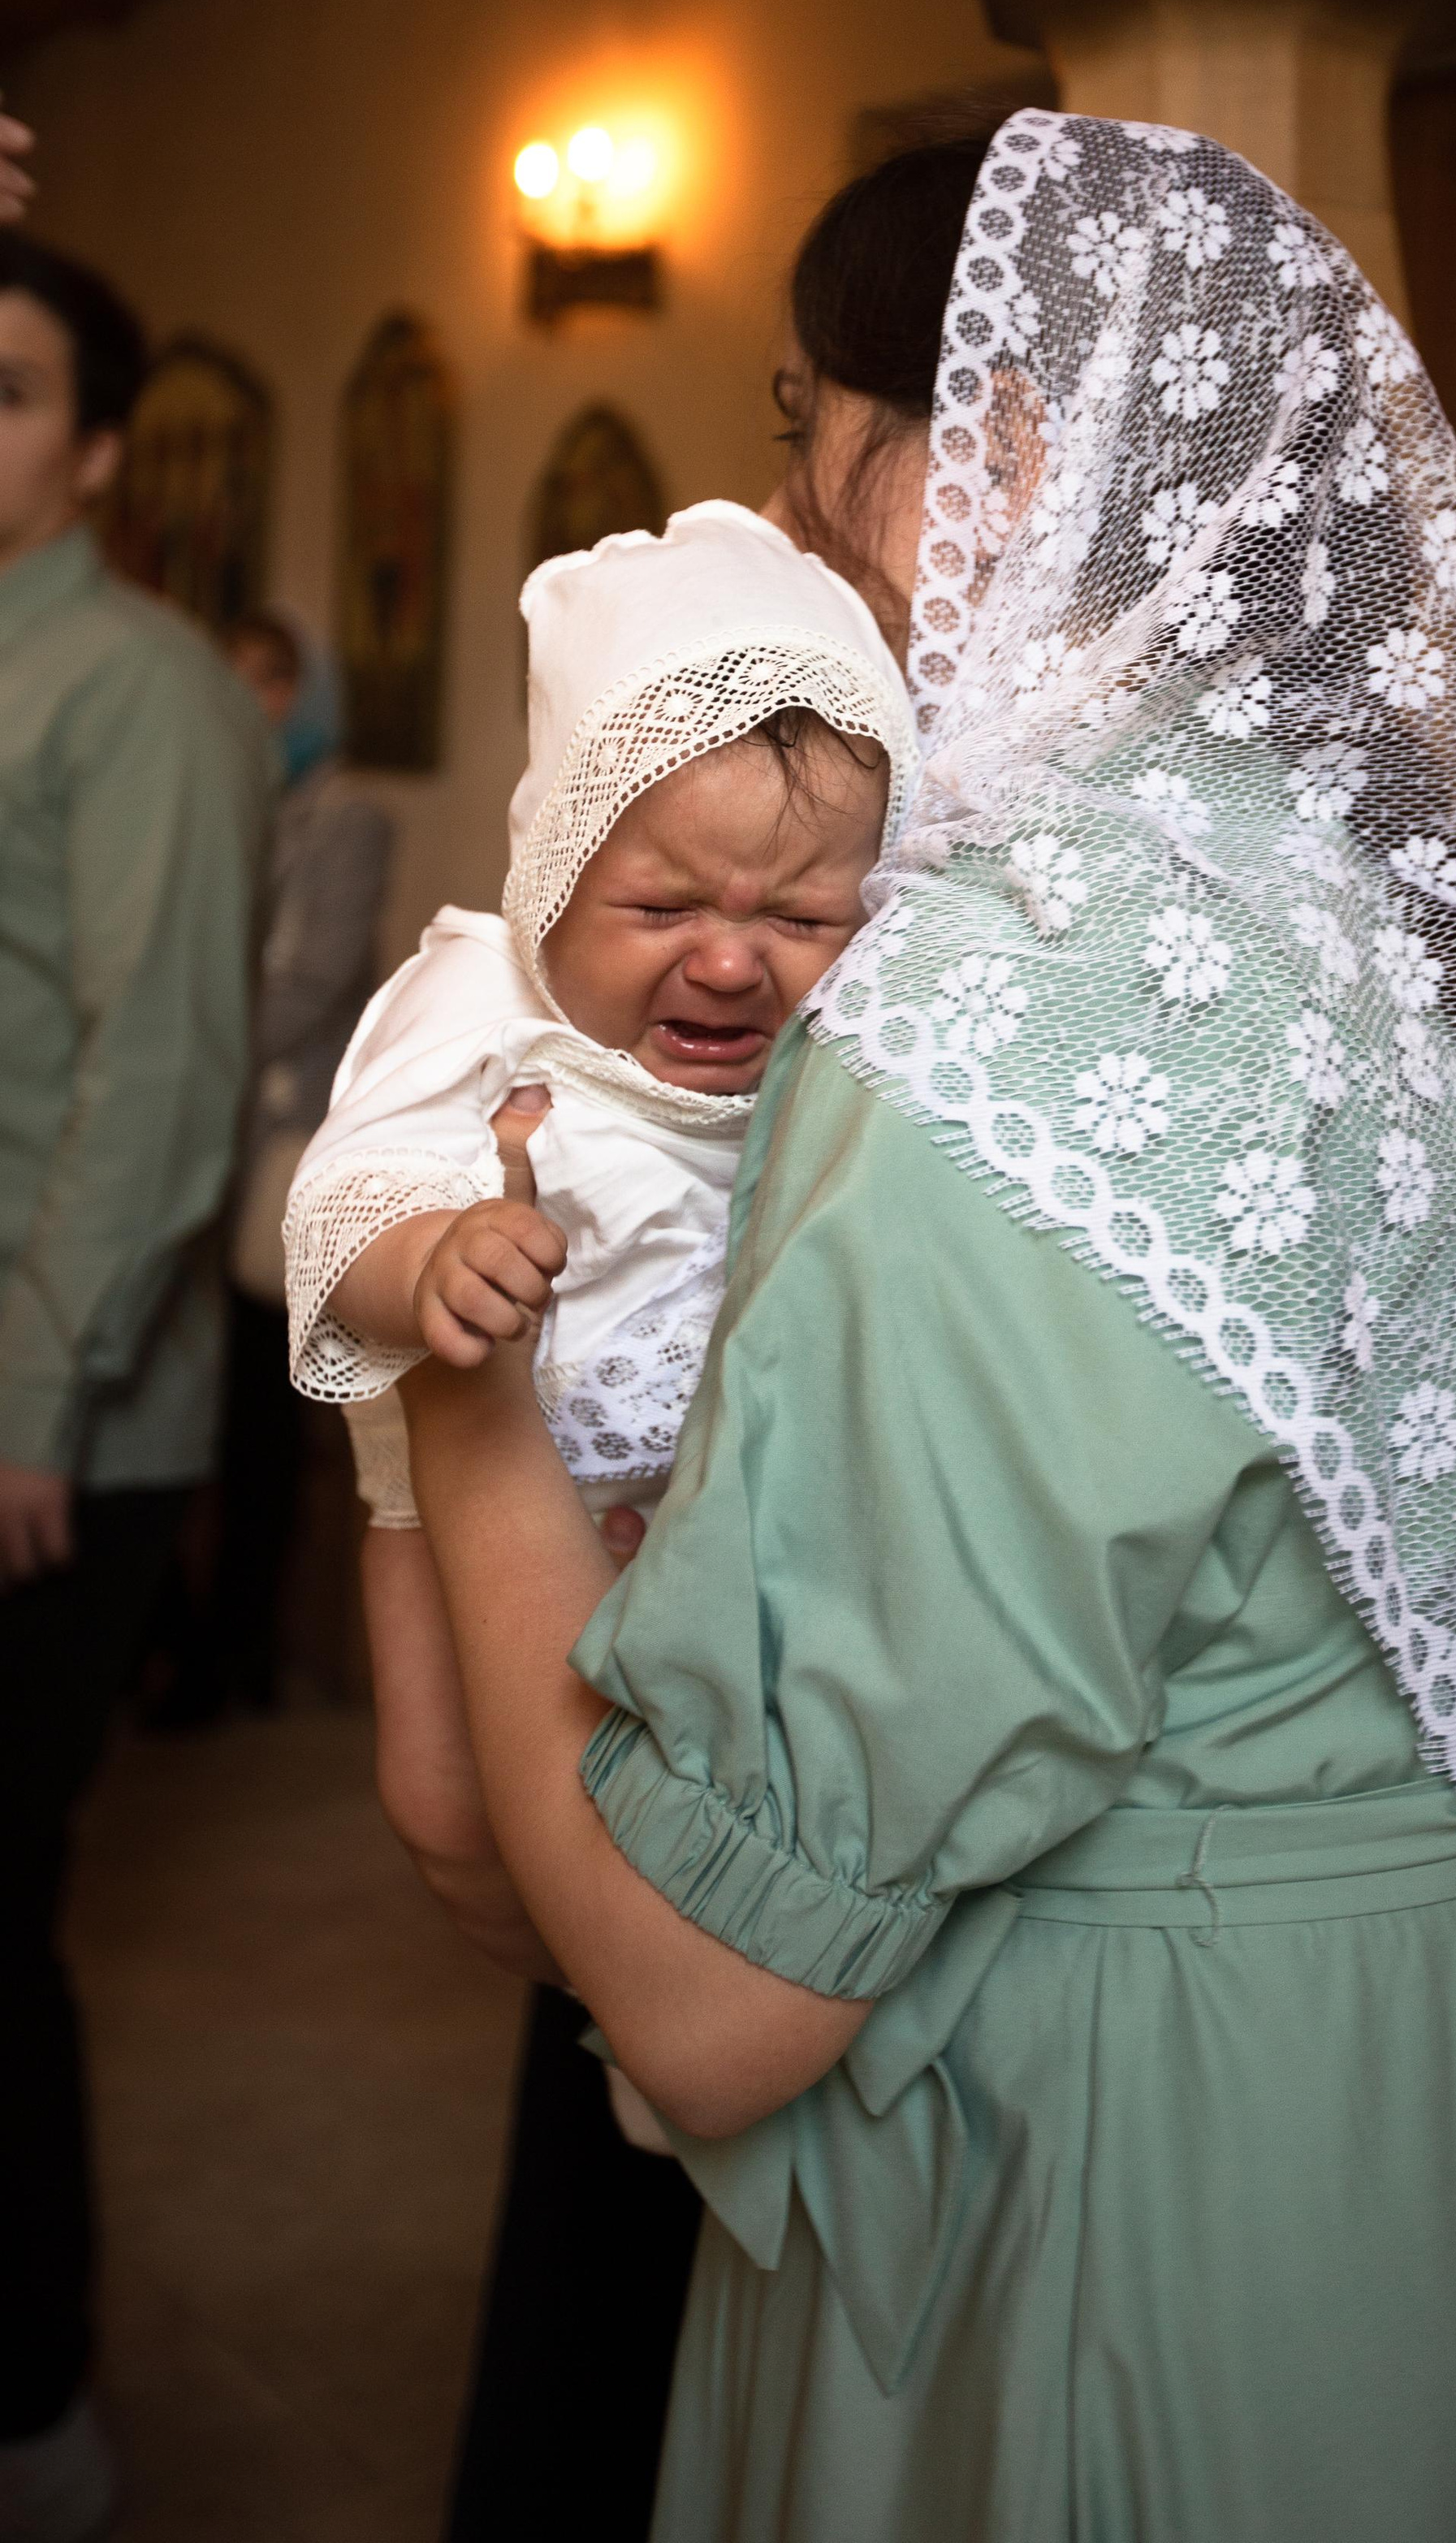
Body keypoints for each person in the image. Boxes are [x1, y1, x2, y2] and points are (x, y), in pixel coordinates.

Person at [390, 115, 1456, 2541]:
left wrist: (456, 1384)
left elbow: (715, 2002)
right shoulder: (1393, 915)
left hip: (1157, 2198)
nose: (798, 531)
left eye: (806, 445)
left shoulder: (1004, 1018)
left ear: (988, 458)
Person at [284, 502, 914, 2536]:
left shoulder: (836, 1079)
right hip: (470, 1477)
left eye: (804, 916)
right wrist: (437, 1263)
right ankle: (583, 1999)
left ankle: (653, 2037)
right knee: (459, 1800)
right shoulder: (483, 1015)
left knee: (680, 1825)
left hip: (683, 1533)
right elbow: (339, 1208)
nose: (730, 957)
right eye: (658, 902)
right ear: (554, 871)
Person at [0, 233, 271, 2542]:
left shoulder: (140, 687)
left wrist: (32, 1397)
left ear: (96, 449)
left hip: (43, 1424)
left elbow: (161, 1080)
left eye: (2, 393)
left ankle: (35, 2417)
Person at [149, 609, 394, 1724]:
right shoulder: (216, 798)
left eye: (271, 680)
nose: (255, 703)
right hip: (209, 1131)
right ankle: (181, 1637)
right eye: (234, 678)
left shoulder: (349, 817)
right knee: (190, 1389)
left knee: (259, 1403)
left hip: (278, 1141)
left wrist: (189, 1051)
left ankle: (235, 1648)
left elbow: (312, 980)